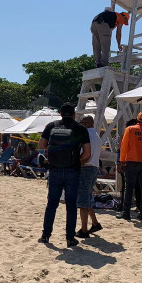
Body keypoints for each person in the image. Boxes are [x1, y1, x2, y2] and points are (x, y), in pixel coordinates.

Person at [37, 103, 90, 247]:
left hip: (54, 170)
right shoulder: (80, 128)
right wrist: (76, 161)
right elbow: (87, 153)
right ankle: (70, 238)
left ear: (60, 113)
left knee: (51, 204)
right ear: (74, 114)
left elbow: (41, 145)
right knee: (71, 206)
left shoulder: (51, 126)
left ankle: (45, 236)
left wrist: (54, 153)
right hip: (73, 171)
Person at [76, 115, 104, 238]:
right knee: (87, 197)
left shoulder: (86, 135)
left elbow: (86, 154)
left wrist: (76, 162)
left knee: (82, 200)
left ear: (86, 123)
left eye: (81, 123)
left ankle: (83, 229)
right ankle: (95, 223)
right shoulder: (96, 135)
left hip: (86, 167)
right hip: (94, 168)